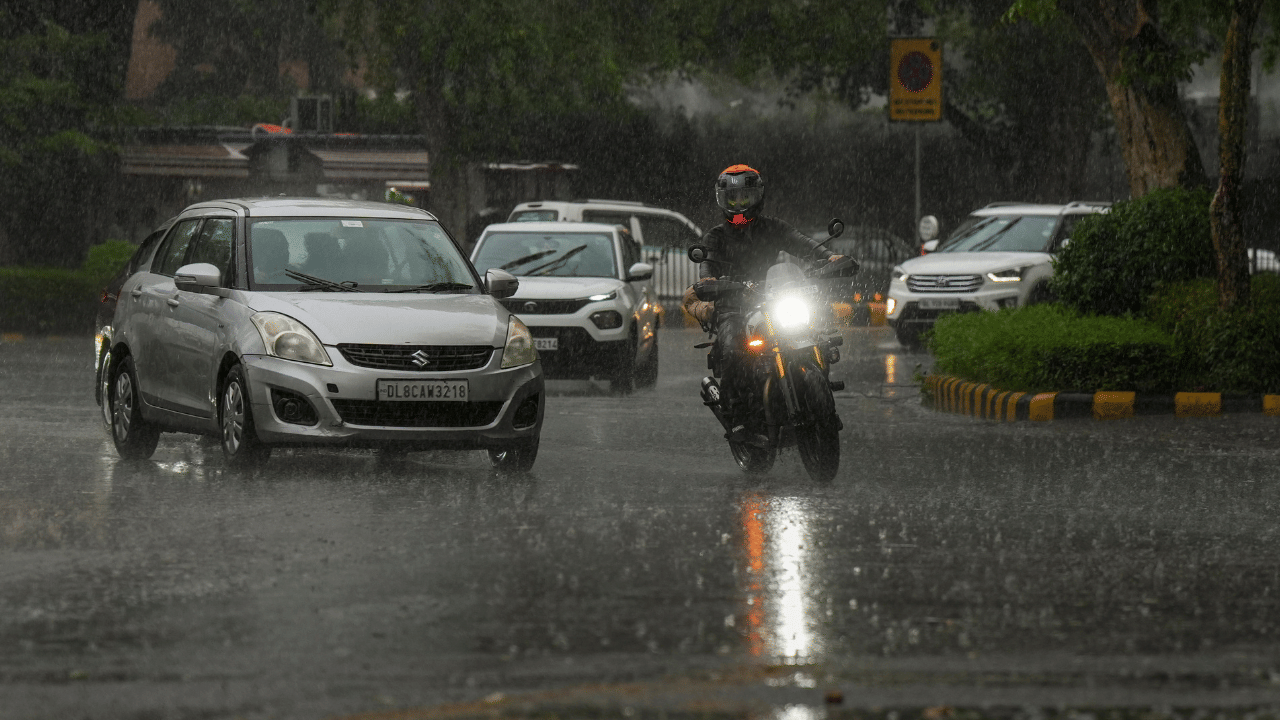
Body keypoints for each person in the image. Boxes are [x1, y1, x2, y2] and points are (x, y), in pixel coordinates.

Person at [681, 164, 851, 434]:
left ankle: (816, 397)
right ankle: (735, 413)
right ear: (721, 200)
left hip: (773, 297)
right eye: (732, 199)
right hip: (734, 304)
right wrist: (710, 281)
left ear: (758, 196)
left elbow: (802, 243)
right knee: (735, 346)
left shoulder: (773, 227)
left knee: (819, 332)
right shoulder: (715, 236)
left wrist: (830, 258)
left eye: (744, 197)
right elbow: (707, 264)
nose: (738, 205)